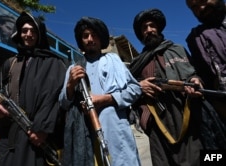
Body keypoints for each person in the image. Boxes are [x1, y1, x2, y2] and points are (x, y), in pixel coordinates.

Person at [59, 16, 142, 166]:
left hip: (115, 132)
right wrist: (70, 84)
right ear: (81, 40)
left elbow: (135, 89)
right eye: (85, 36)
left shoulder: (114, 61)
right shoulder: (73, 69)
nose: (90, 39)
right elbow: (63, 103)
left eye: (94, 35)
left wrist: (107, 99)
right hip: (84, 137)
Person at [0, 11, 66, 166]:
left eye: (33, 31)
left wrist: (43, 129)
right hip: (8, 137)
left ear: (40, 34)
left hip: (37, 138)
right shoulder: (11, 63)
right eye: (24, 31)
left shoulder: (54, 63)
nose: (28, 34)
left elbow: (56, 99)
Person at [129, 8, 204, 166]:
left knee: (198, 158)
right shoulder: (137, 63)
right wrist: (139, 87)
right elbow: (129, 90)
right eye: (144, 28)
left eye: (152, 26)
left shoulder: (177, 49)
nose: (149, 30)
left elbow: (193, 73)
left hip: (185, 114)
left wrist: (195, 80)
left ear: (158, 28)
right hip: (157, 123)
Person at [185, 0, 226, 149]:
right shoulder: (196, 38)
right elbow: (203, 73)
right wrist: (195, 79)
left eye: (202, 1)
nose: (201, 8)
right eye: (194, 7)